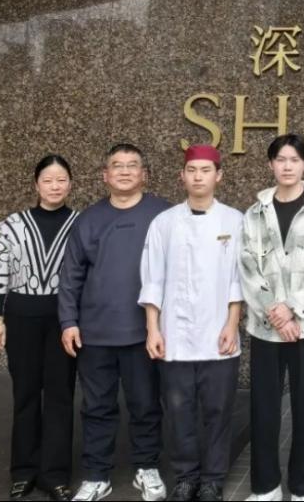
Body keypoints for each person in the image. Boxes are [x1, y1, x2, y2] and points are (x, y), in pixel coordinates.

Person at [58, 143, 172, 502]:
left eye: (132, 165)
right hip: (95, 334)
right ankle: (96, 475)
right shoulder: (88, 219)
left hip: (145, 333)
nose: (124, 171)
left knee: (146, 405)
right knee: (96, 407)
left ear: (145, 174)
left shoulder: (164, 215)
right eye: (117, 166)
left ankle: (147, 467)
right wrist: (68, 321)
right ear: (105, 175)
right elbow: (71, 275)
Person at [139, 145, 244, 502]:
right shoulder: (164, 223)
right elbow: (152, 278)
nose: (198, 177)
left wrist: (232, 324)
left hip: (219, 333)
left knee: (218, 411)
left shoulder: (234, 221)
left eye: (206, 170)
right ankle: (185, 476)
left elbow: (238, 279)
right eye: (192, 170)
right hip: (175, 335)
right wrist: (153, 328)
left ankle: (213, 479)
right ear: (182, 176)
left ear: (219, 176)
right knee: (178, 411)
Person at [239, 134, 304, 502]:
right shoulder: (255, 212)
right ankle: (266, 487)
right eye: (280, 159)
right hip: (266, 328)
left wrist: (294, 308)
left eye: (294, 160)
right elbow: (248, 267)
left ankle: (301, 489)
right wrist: (278, 315)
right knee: (264, 409)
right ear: (270, 164)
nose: (287, 166)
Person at [0, 154, 80, 501]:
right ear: (36, 184)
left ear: (70, 184)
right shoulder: (13, 224)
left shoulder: (80, 223)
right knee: (25, 394)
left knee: (60, 395)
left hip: (64, 320)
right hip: (21, 318)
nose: (55, 186)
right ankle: (23, 470)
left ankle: (55, 474)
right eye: (47, 180)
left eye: (61, 180)